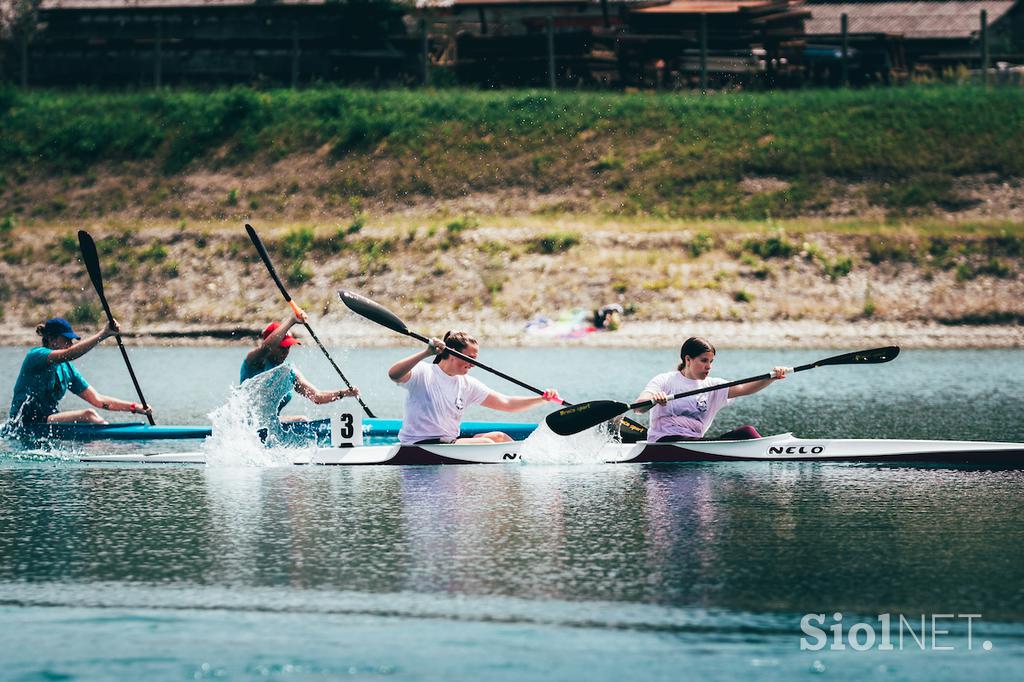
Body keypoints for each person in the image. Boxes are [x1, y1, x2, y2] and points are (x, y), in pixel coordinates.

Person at [388, 330, 561, 445]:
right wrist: (427, 353)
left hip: (447, 444)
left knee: (499, 438)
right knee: (487, 443)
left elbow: (507, 403)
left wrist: (542, 399)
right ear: (453, 353)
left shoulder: (467, 384)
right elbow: (394, 374)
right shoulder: (423, 373)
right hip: (417, 445)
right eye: (470, 358)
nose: (473, 364)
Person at [633, 336, 791, 442]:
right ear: (688, 359)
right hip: (664, 441)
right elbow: (639, 407)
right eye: (703, 361)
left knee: (747, 432)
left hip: (695, 443)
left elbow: (744, 388)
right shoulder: (665, 380)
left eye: (711, 361)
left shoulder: (713, 386)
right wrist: (653, 400)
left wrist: (772, 377)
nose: (708, 366)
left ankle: (765, 451)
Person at [8, 317, 154, 426]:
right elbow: (70, 354)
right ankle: (111, 443)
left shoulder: (67, 369)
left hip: (45, 420)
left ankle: (104, 443)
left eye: (72, 341)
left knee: (90, 416)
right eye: (67, 339)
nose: (70, 344)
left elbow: (98, 400)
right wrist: (103, 334)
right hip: (22, 422)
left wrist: (134, 407)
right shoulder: (36, 356)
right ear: (52, 339)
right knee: (88, 415)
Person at [240, 310, 360, 422]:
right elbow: (267, 347)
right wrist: (291, 320)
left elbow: (316, 397)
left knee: (303, 420)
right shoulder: (256, 361)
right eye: (282, 347)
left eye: (288, 347)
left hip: (268, 424)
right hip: (247, 424)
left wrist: (343, 393)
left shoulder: (289, 373)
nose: (285, 351)